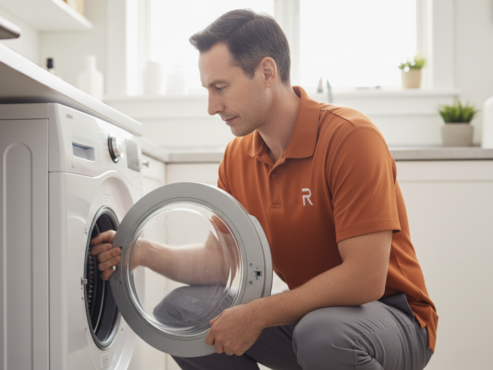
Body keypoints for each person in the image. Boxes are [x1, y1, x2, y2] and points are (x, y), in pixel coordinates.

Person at [91, 9, 437, 370]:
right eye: (208, 90)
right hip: (313, 319)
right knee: (182, 314)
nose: (212, 107)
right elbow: (219, 262)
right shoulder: (238, 157)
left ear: (267, 72)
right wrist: (144, 252)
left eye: (220, 87)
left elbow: (365, 279)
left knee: (322, 335)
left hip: (394, 318)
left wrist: (257, 314)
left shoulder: (351, 138)